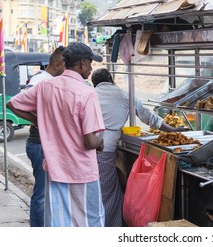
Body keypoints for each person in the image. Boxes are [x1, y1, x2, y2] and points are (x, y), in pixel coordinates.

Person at [7, 43, 105, 227]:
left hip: (55, 169)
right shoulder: (87, 92)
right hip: (82, 171)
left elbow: (13, 104)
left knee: (59, 222)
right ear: (82, 63)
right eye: (91, 63)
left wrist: (37, 120)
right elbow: (91, 141)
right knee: (91, 222)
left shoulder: (45, 86)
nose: (91, 68)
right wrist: (100, 141)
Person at [91, 67, 182, 227]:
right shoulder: (125, 94)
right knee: (106, 193)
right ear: (111, 79)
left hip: (87, 149)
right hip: (104, 151)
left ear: (95, 83)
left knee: (93, 192)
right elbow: (149, 117)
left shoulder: (90, 95)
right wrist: (173, 131)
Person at [24, 46, 65, 227]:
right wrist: (39, 120)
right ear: (57, 65)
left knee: (48, 194)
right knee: (41, 195)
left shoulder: (49, 80)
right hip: (40, 144)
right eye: (66, 64)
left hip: (44, 145)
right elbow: (18, 103)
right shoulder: (40, 80)